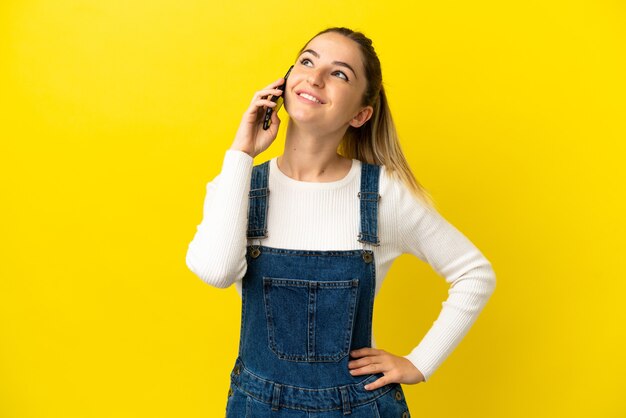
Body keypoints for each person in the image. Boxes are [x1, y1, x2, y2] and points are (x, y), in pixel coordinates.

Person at [186, 27, 496, 417]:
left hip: (359, 407)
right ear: (284, 82)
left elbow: (474, 273)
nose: (315, 77)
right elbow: (215, 271)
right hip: (257, 407)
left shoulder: (384, 195)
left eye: (339, 73)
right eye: (307, 61)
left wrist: (420, 362)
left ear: (360, 114)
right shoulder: (238, 184)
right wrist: (241, 153)